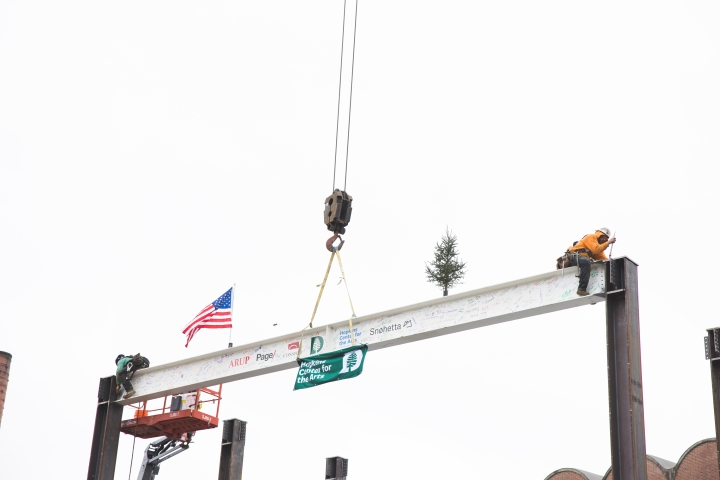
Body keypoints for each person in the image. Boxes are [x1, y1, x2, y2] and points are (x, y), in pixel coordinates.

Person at [567, 227, 616, 296]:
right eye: (604, 237)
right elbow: (596, 249)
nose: (605, 240)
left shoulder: (598, 248)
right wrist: (608, 243)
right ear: (600, 234)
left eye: (607, 239)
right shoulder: (591, 237)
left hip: (581, 260)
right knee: (586, 262)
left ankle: (594, 291)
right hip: (573, 257)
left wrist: (612, 263)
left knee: (594, 265)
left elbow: (603, 259)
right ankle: (581, 289)